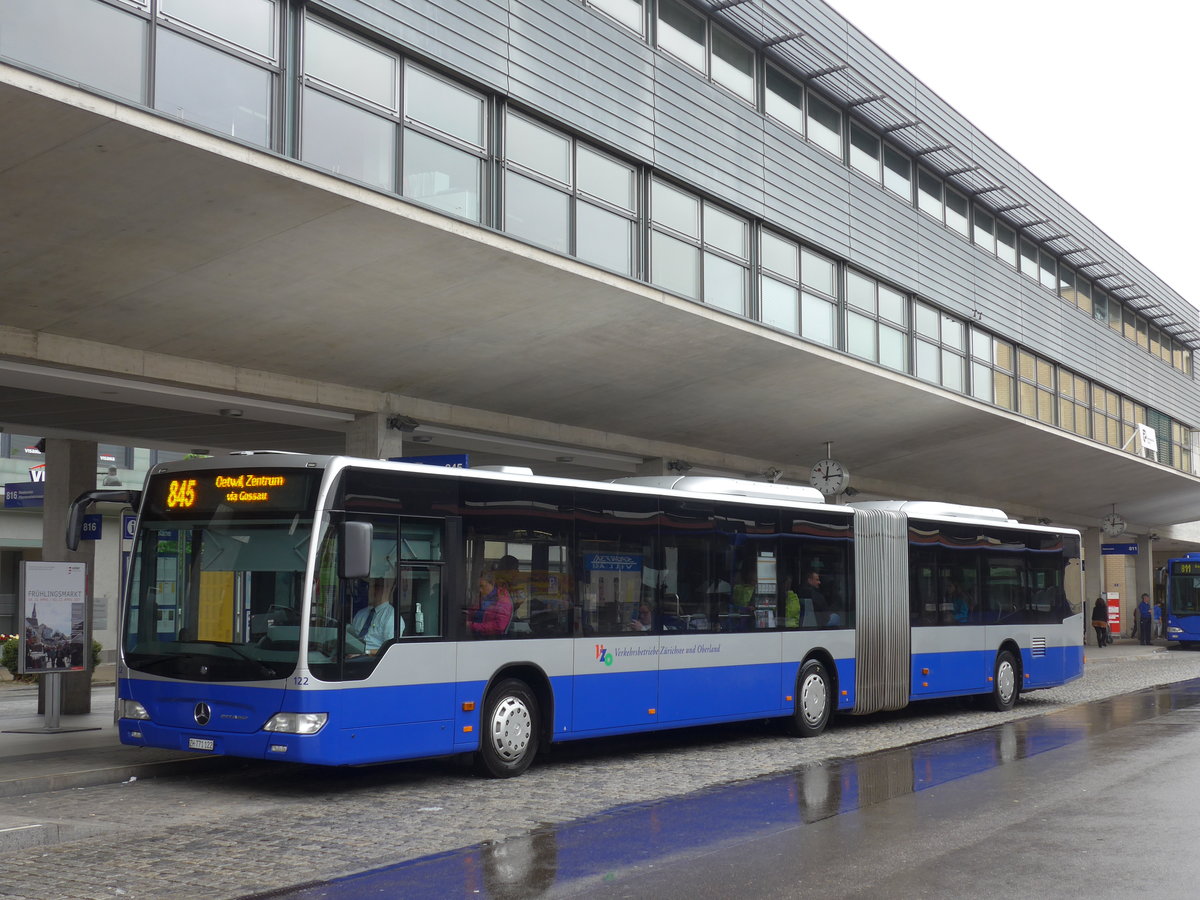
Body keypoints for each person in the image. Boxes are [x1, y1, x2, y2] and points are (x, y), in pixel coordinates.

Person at [352, 578, 400, 654]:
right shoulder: (360, 614)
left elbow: (391, 651)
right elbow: (350, 638)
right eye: (371, 586)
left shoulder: (393, 617)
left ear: (388, 589)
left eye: (377, 586)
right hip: (351, 655)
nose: (372, 590)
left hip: (373, 660)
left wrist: (365, 653)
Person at [467, 570, 513, 635]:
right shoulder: (482, 597)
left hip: (491, 638)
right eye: (478, 586)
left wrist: (472, 625)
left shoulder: (502, 600)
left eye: (482, 586)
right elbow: (474, 611)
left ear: (492, 583)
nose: (480, 590)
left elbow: (499, 626)